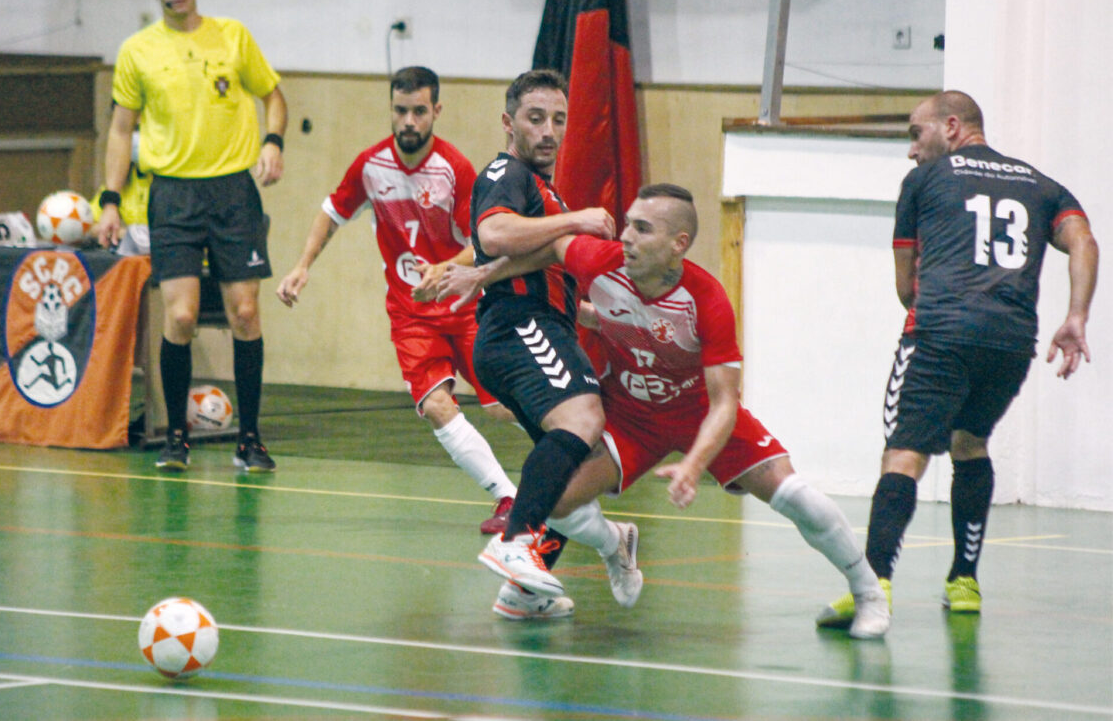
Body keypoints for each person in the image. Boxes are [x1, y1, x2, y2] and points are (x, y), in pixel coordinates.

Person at [440, 184, 891, 638]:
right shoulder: (601, 261)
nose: (627, 237)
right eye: (628, 223)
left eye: (642, 228)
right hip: (630, 416)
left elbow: (724, 403)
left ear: (679, 245)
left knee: (794, 495)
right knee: (551, 501)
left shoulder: (707, 299)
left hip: (697, 414)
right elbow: (550, 250)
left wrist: (693, 466)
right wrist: (481, 276)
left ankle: (868, 592)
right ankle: (616, 544)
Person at [817, 90, 1098, 629]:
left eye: (915, 134)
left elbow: (906, 285)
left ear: (951, 126)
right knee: (970, 442)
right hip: (1012, 341)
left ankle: (873, 586)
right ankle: (964, 581)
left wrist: (938, 312)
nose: (910, 151)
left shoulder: (923, 182)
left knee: (904, 453)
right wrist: (1077, 315)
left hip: (942, 333)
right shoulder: (1041, 184)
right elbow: (1084, 240)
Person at [275, 66, 518, 534]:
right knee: (436, 406)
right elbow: (332, 212)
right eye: (400, 110)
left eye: (419, 111)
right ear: (391, 109)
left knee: (503, 405)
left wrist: (447, 269)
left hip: (467, 306)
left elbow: (483, 240)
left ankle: (572, 460)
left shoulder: (455, 169)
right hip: (411, 317)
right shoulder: (371, 166)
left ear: (436, 112)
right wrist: (303, 265)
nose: (409, 120)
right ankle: (508, 496)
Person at [95, 0, 287, 473]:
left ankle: (249, 439)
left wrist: (274, 142)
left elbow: (274, 96)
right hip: (173, 194)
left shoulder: (232, 36)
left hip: (232, 193)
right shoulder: (138, 51)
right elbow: (119, 129)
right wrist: (111, 199)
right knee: (179, 315)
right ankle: (176, 435)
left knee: (244, 313)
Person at [469, 68, 620, 602]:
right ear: (510, 123)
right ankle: (515, 540)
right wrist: (576, 219)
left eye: (558, 119)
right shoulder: (506, 172)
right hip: (520, 327)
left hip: (543, 324)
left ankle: (526, 591)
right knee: (583, 418)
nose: (549, 131)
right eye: (536, 119)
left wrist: (599, 318)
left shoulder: (545, 191)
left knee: (572, 469)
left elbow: (544, 273)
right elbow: (493, 234)